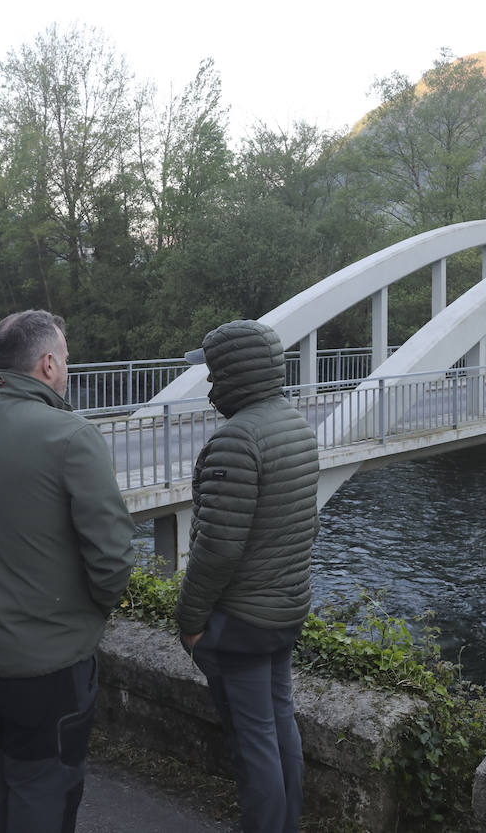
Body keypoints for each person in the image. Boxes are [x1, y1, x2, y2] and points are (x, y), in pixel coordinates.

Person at [0, 309, 135, 832]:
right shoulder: (71, 437)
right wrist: (90, 613)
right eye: (64, 360)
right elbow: (110, 557)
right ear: (46, 364)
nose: (65, 369)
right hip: (49, 659)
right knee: (45, 786)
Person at [175, 319, 320, 833]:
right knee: (279, 725)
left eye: (214, 372)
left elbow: (217, 546)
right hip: (283, 610)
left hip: (240, 621)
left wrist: (190, 618)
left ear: (234, 374)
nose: (210, 384)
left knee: (252, 741)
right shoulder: (294, 424)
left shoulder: (237, 440)